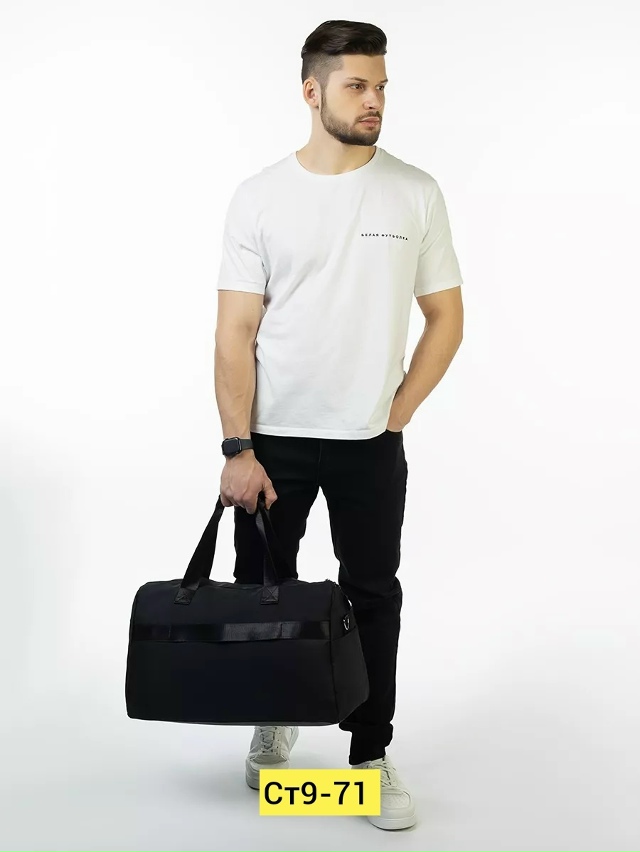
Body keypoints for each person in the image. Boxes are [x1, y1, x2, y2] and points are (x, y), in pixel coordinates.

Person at [214, 19, 464, 832]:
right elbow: (234, 332)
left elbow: (446, 315)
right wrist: (239, 446)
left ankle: (368, 755)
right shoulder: (259, 196)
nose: (374, 101)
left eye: (381, 86)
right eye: (357, 85)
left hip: (369, 444)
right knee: (264, 593)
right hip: (273, 442)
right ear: (311, 90)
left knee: (372, 596)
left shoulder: (415, 191)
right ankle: (273, 716)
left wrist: (399, 410)